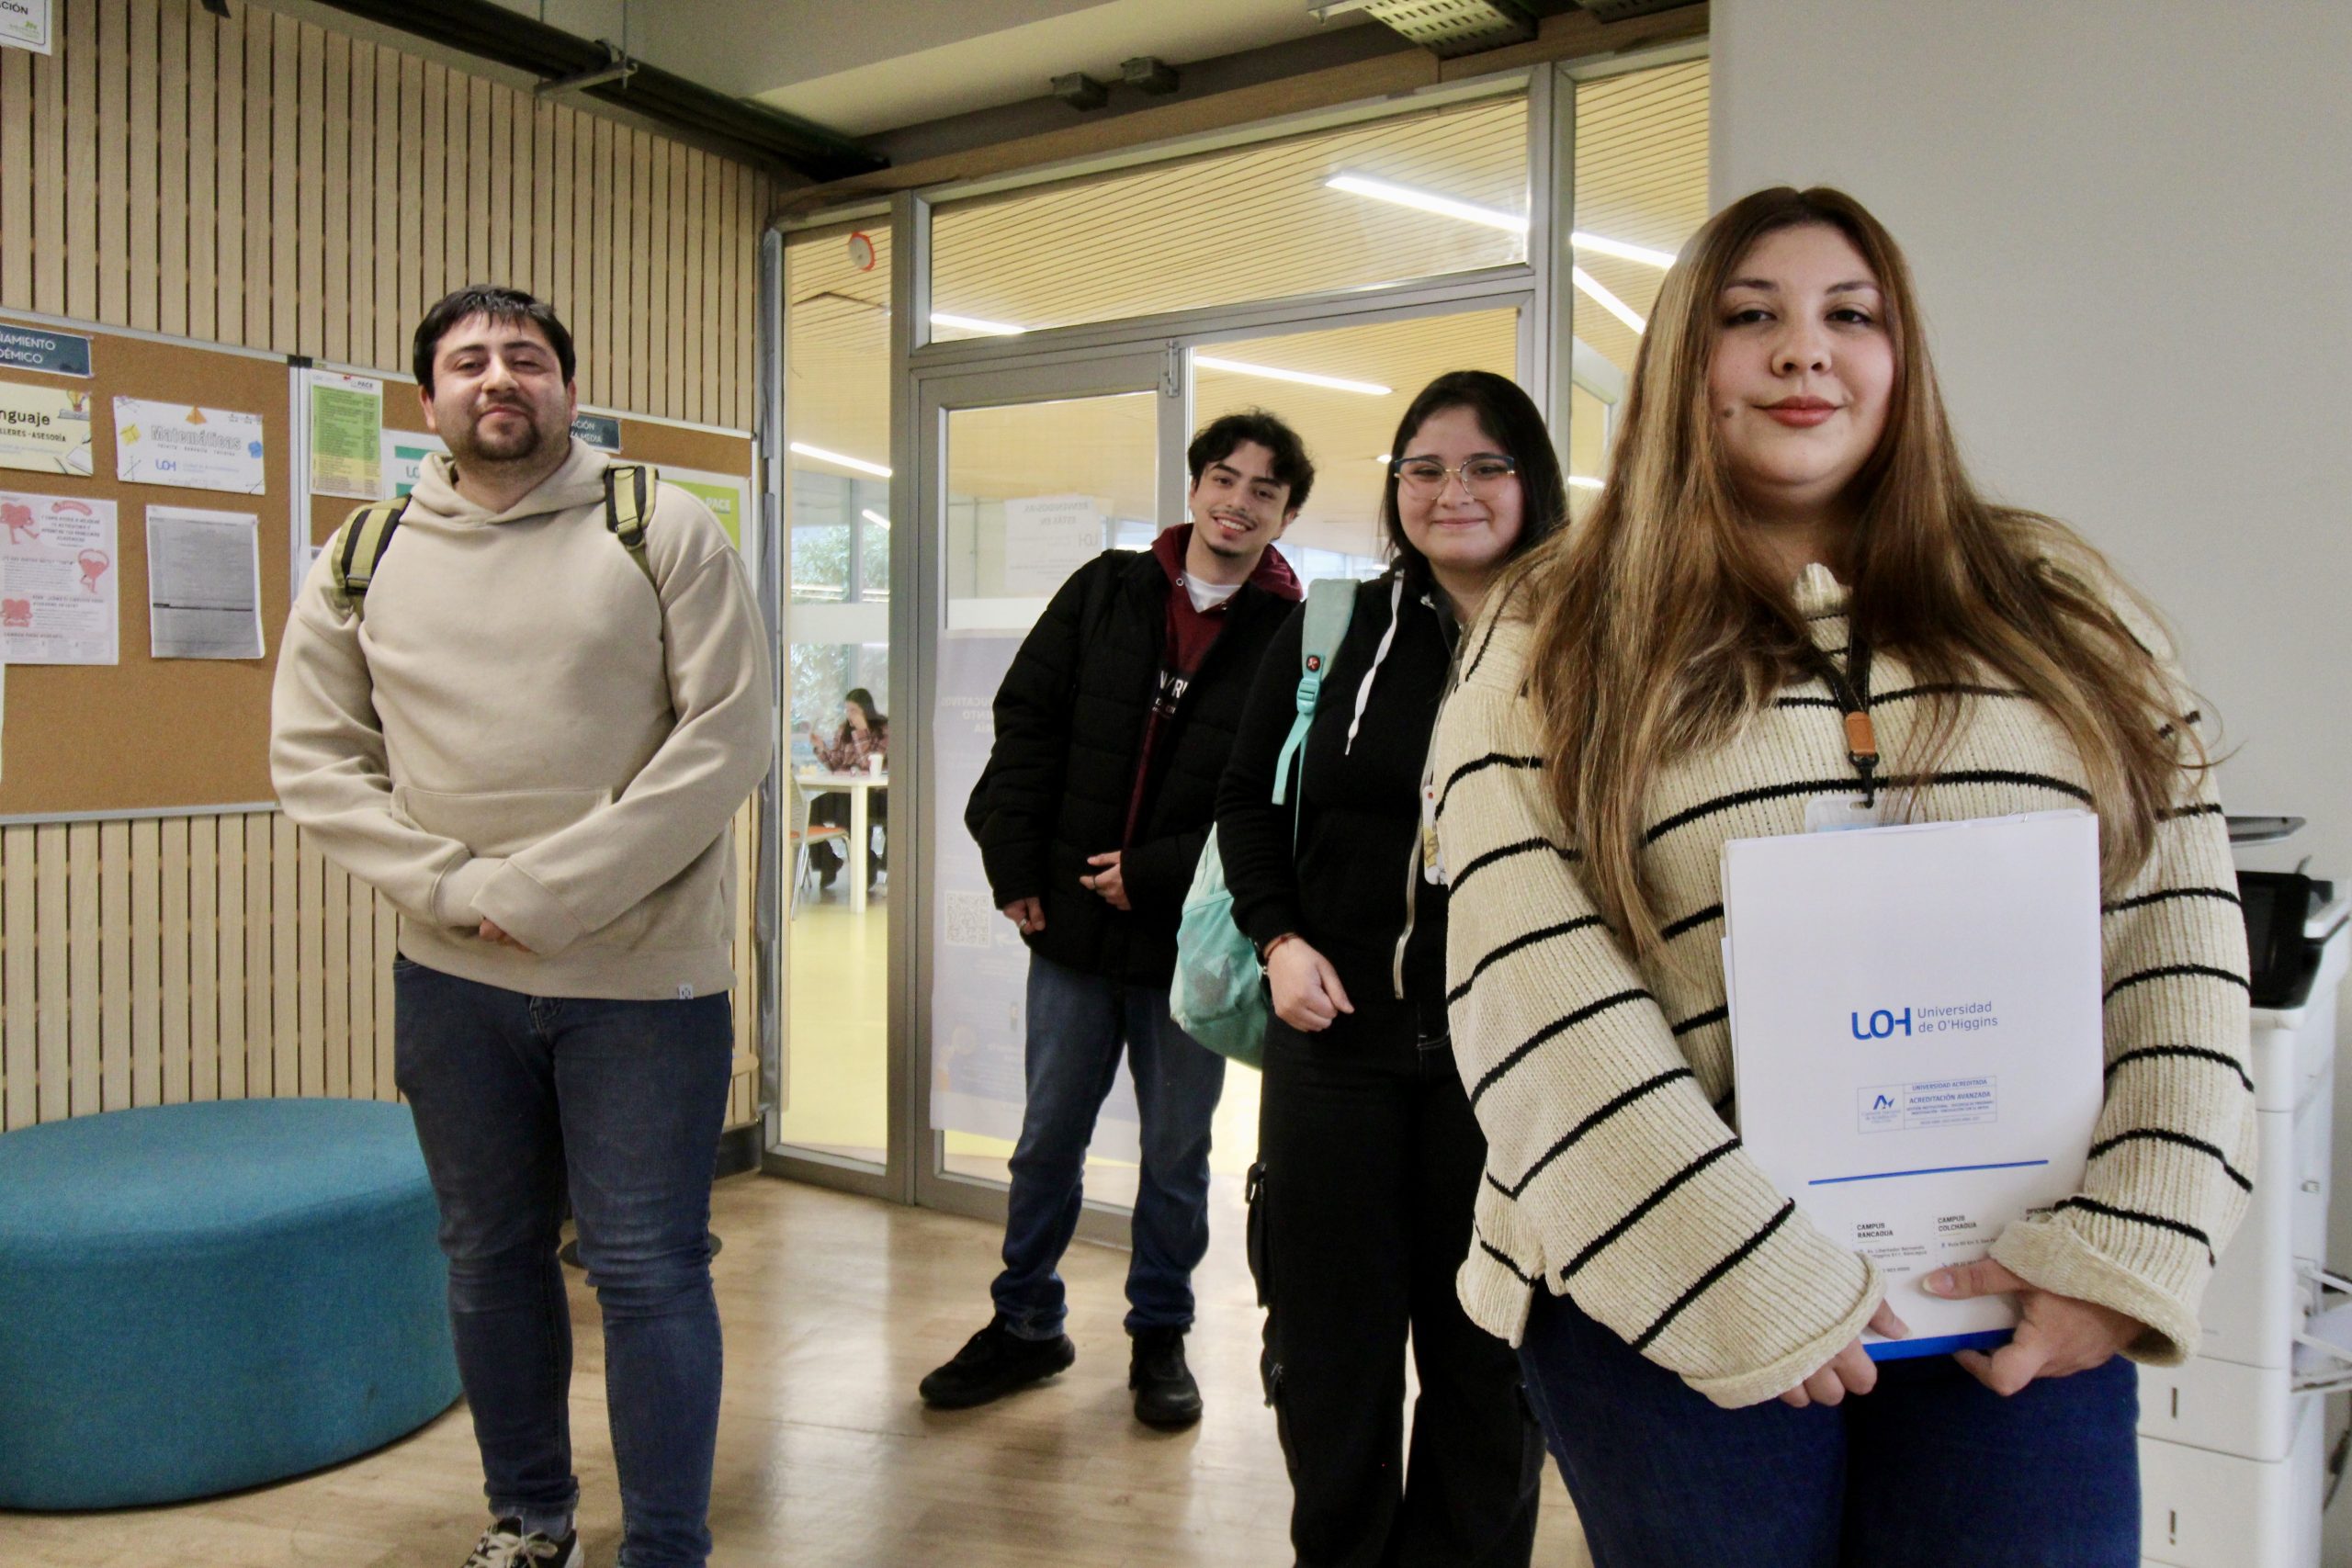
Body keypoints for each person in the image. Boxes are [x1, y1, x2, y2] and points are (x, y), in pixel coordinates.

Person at [1431, 186, 2255, 1566]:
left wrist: (2130, 1239)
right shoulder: (1554, 621)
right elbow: (1526, 975)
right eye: (1751, 317)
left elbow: (2181, 930)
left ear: (1900, 357)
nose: (1804, 352)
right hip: (1675, 1300)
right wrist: (1735, 1269)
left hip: (2014, 1282)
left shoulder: (2052, 595)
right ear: (1687, 362)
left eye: (1849, 316)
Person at [271, 286, 773, 1568]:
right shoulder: (364, 551)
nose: (501, 377)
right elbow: (317, 757)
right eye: (469, 360)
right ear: (427, 397)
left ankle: (665, 1542)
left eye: (528, 358)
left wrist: (545, 892)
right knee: (489, 1255)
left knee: (650, 1265)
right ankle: (530, 1514)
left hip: (644, 983)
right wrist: (451, 887)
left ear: (567, 388)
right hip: (453, 981)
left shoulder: (660, 525)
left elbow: (727, 737)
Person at [1217, 371, 1555, 1566]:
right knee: (1330, 1364)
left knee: (1489, 1369)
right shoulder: (1337, 628)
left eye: (1483, 464)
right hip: (1336, 1050)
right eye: (1423, 466)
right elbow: (1248, 804)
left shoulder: (1584, 640)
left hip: (1506, 1064)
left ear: (1534, 483)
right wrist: (1277, 936)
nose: (1449, 490)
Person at [923, 410, 1310, 1426]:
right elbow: (1027, 723)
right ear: (1194, 488)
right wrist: (1014, 864)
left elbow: (1278, 790)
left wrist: (1160, 873)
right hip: (1070, 934)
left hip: (1189, 946)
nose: (1239, 502)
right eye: (1225, 478)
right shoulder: (1106, 590)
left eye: (1264, 489)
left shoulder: (1291, 634)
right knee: (1047, 1137)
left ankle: (1160, 1335)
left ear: (1286, 511)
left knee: (1178, 1151)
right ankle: (1024, 1324)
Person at [807, 687, 888, 890]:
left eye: (854, 710)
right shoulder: (844, 731)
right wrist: (821, 748)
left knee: (847, 811)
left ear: (865, 710)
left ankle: (867, 863)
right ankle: (828, 862)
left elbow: (869, 764)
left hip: (874, 795)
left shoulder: (884, 730)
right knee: (810, 810)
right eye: (847, 710)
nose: (849, 715)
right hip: (843, 791)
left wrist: (861, 732)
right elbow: (835, 764)